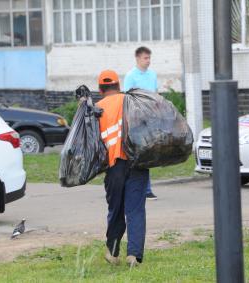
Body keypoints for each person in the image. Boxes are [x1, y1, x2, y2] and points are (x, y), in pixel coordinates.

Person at [96, 69, 148, 267]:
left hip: (113, 165)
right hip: (137, 162)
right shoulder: (131, 101)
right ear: (119, 86)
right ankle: (133, 255)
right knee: (135, 209)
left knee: (115, 209)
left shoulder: (97, 108)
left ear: (101, 89)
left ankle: (113, 252)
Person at [123, 46, 158, 200]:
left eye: (149, 58)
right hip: (137, 120)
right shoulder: (131, 76)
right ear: (137, 59)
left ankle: (146, 189)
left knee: (147, 153)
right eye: (145, 58)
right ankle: (138, 188)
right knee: (137, 153)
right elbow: (128, 98)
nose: (148, 61)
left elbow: (155, 95)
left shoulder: (152, 75)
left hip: (150, 118)